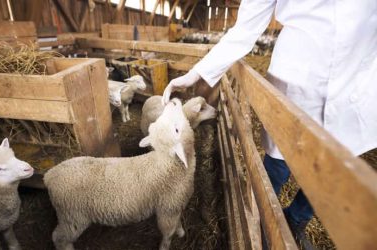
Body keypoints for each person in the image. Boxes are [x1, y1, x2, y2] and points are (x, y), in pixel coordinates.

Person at [162, 0, 377, 249]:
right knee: (279, 163)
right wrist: (197, 73)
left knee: (336, 172)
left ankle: (295, 220)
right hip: (297, 79)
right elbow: (246, 27)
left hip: (359, 80)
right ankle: (262, 222)